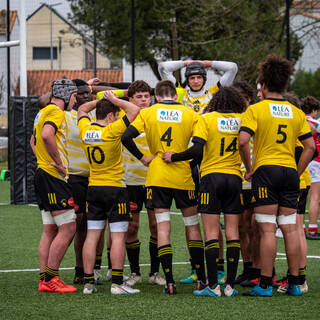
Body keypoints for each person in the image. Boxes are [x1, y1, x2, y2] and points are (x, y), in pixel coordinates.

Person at [239, 54, 315, 297]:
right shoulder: (296, 111)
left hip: (266, 172)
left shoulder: (256, 109)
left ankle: (264, 284)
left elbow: (242, 141)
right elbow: (311, 147)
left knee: (267, 229)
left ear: (262, 85)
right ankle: (294, 283)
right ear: (284, 85)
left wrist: (249, 168)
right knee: (291, 228)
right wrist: (297, 170)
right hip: (290, 173)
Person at [121, 80, 206, 295]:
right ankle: (201, 279)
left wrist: (142, 157)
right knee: (193, 226)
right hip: (183, 177)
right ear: (175, 96)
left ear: (156, 97)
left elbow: (126, 137)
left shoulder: (148, 113)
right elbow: (198, 150)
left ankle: (169, 281)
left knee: (162, 228)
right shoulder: (191, 114)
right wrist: (180, 158)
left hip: (157, 175)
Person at [163, 86, 247, 297]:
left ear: (216, 101)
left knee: (211, 233)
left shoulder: (207, 119)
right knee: (233, 233)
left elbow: (197, 150)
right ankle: (229, 286)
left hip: (212, 178)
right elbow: (245, 146)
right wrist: (250, 169)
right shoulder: (242, 119)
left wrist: (174, 157)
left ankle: (213, 286)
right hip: (234, 177)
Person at [78, 90, 140, 295]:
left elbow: (81, 108)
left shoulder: (85, 129)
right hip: (115, 188)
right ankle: (117, 283)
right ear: (112, 115)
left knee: (92, 235)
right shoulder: (112, 130)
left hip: (93, 188)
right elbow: (134, 109)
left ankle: (88, 283)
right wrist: (114, 99)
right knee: (119, 236)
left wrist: (98, 101)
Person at [30, 78, 78, 293]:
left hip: (42, 173)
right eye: (74, 96)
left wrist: (43, 158)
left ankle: (44, 278)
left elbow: (33, 142)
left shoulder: (42, 112)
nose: (75, 100)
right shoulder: (56, 112)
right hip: (52, 177)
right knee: (68, 227)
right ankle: (51, 279)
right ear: (66, 95)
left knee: (50, 229)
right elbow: (46, 135)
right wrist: (58, 163)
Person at [119, 80, 166, 286]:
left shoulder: (156, 116)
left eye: (147, 96)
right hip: (129, 181)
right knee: (132, 227)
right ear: (130, 100)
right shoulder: (123, 119)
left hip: (154, 180)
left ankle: (155, 273)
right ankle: (135, 272)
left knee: (156, 226)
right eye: (139, 96)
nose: (144, 100)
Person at [158, 59, 238, 113]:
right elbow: (162, 67)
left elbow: (232, 68)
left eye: (199, 77)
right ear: (187, 80)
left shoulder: (214, 93)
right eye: (192, 78)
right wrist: (185, 63)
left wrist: (208, 63)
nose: (196, 81)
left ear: (204, 79)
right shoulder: (180, 92)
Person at [300, 96, 320, 240]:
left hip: (306, 161)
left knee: (304, 195)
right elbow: (314, 125)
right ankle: (312, 229)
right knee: (315, 197)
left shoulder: (301, 119)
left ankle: (300, 226)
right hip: (315, 161)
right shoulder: (311, 121)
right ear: (313, 110)